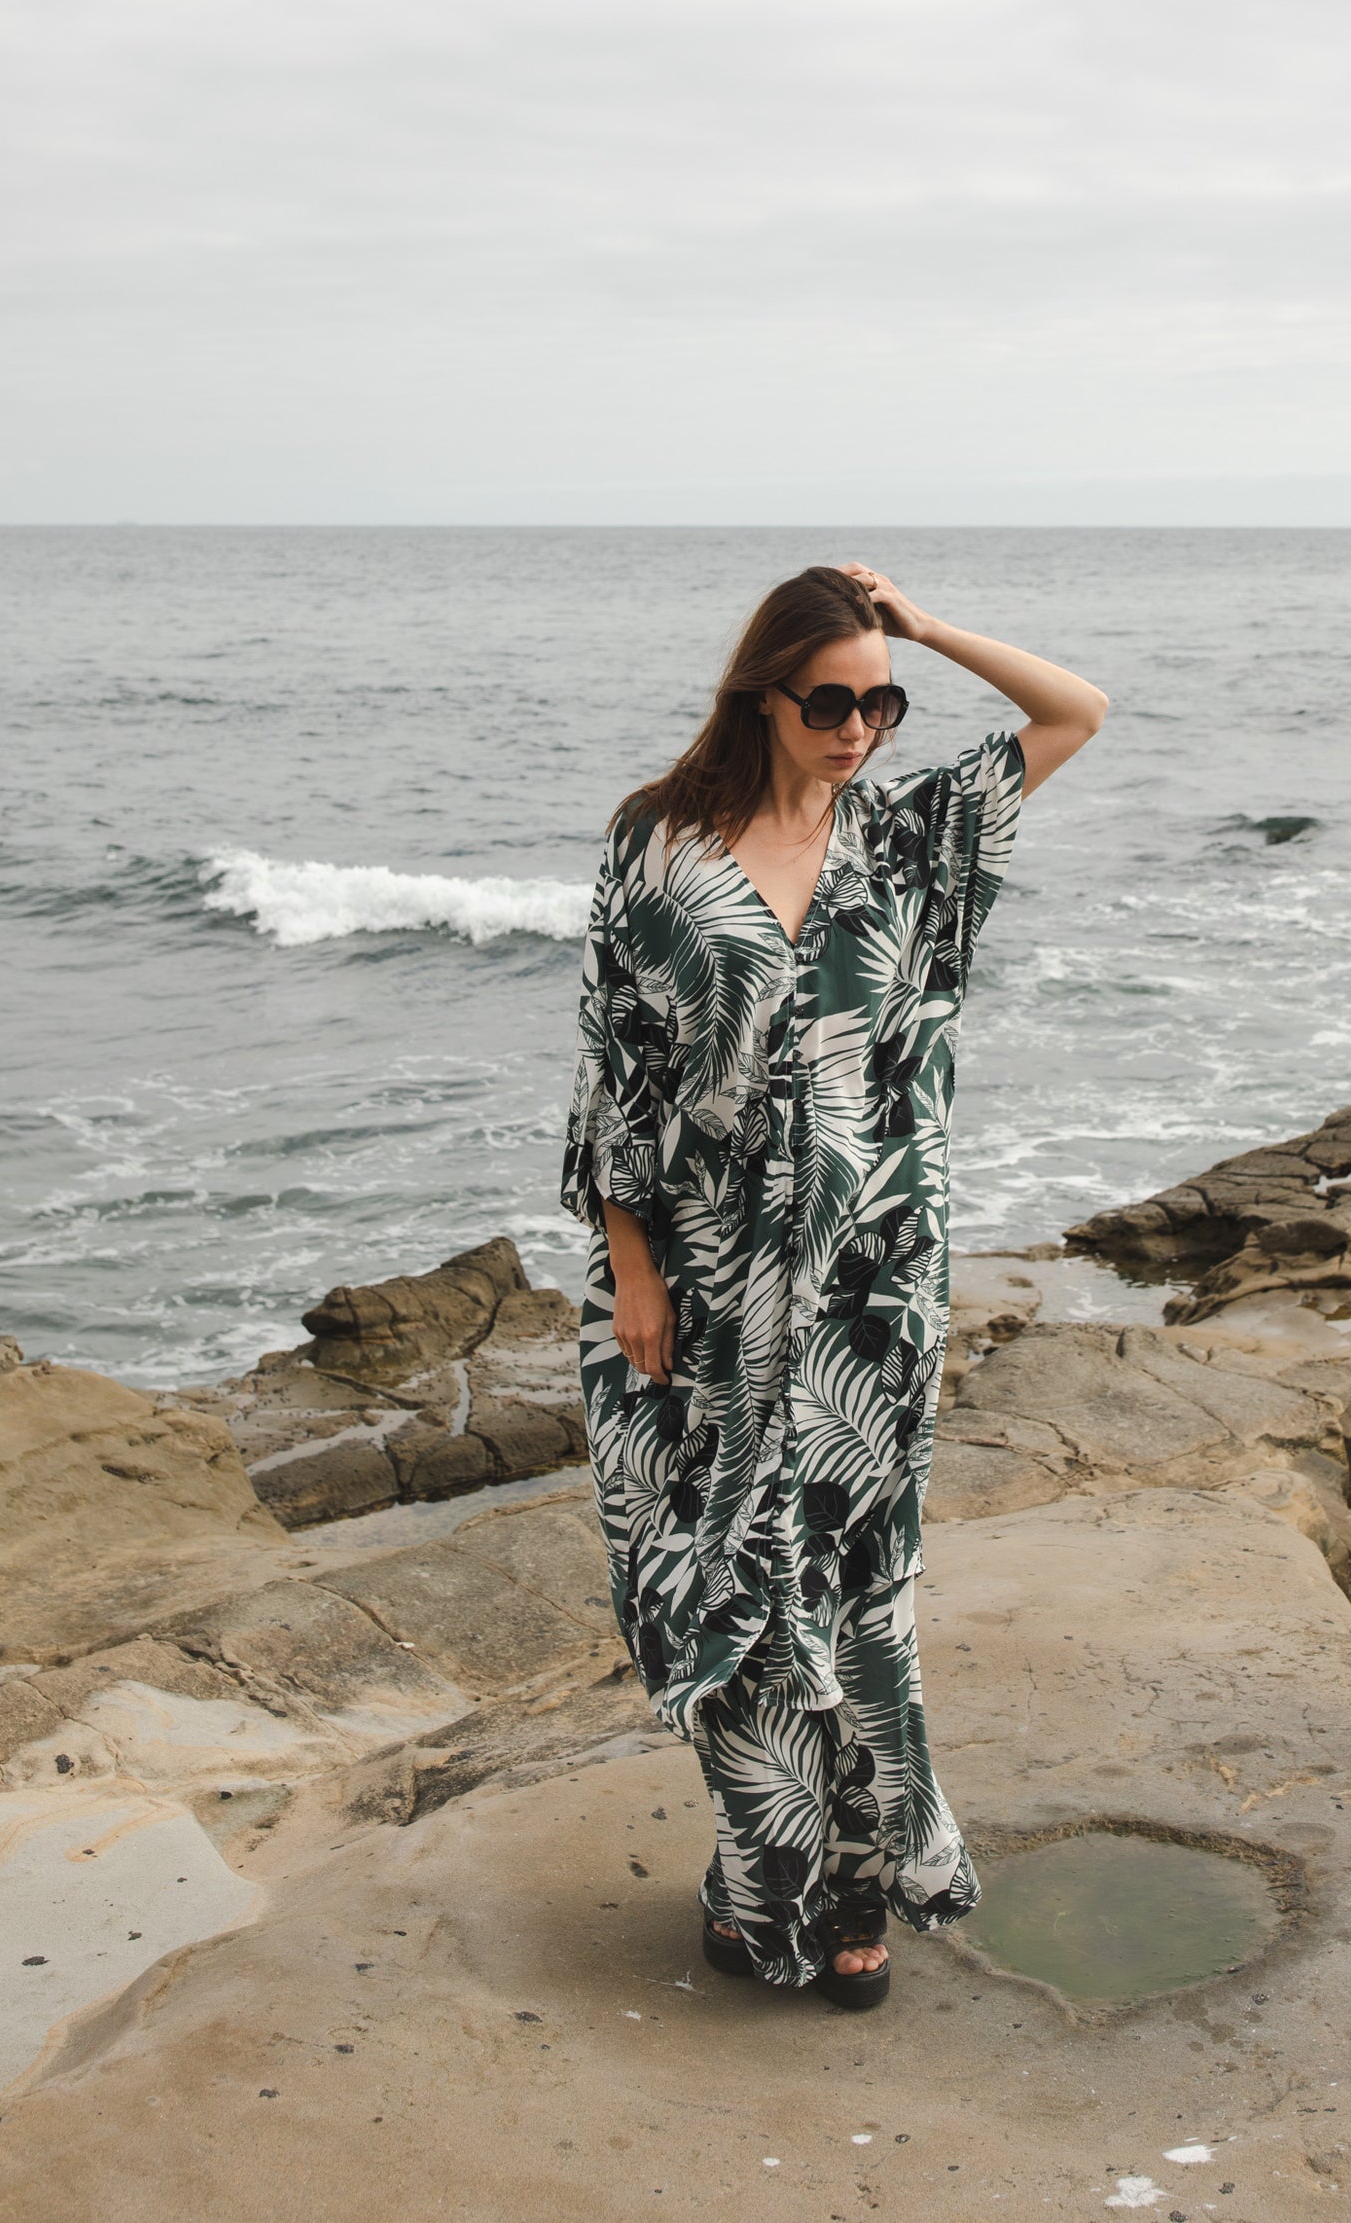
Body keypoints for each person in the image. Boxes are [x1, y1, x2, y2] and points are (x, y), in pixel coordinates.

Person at [562, 562, 1107, 2009]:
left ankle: (845, 1890)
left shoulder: (911, 836)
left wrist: (922, 627)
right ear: (763, 694)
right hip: (709, 1277)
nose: (859, 724)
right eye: (829, 699)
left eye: (882, 701)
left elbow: (1075, 712)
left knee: (858, 1597)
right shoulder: (661, 846)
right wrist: (632, 1273)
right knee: (733, 1583)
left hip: (872, 1282)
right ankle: (759, 1888)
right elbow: (617, 1068)